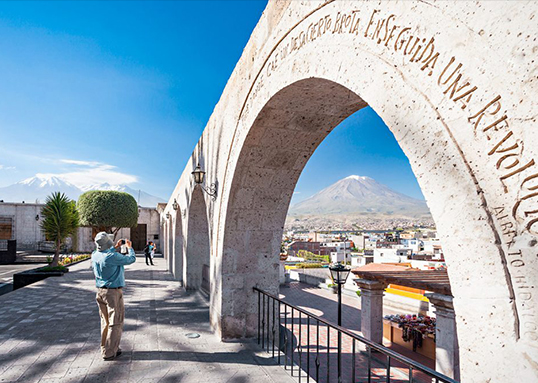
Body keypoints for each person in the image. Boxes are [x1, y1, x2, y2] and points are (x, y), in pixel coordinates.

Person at [91, 232, 136, 360]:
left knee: (105, 322)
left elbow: (106, 254)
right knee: (115, 321)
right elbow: (131, 259)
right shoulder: (112, 256)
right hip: (112, 292)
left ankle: (106, 347)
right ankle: (110, 352)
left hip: (100, 291)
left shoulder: (95, 254)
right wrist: (129, 248)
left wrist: (113, 247)